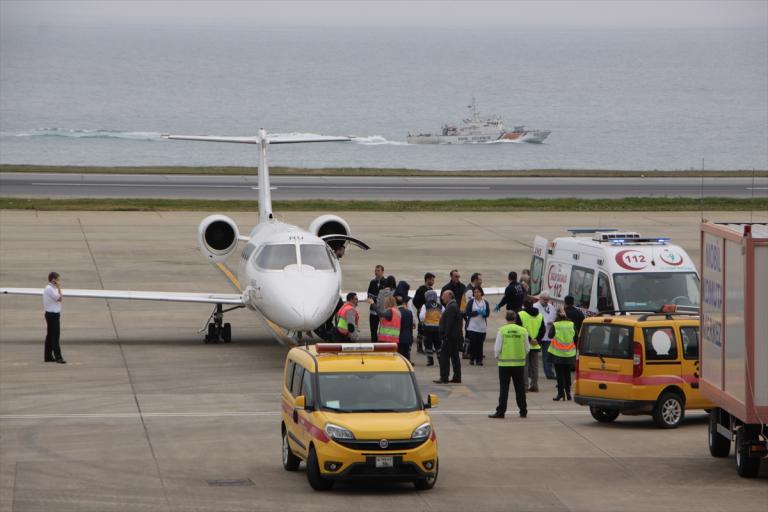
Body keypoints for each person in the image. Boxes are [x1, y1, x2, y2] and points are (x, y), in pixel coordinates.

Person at [489, 311, 530, 419]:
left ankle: (501, 411)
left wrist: (497, 356)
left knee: (504, 388)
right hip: (519, 364)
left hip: (504, 364)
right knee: (520, 388)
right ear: (515, 318)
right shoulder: (523, 330)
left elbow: (497, 347)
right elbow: (527, 348)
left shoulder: (502, 330)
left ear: (506, 319)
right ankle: (523, 411)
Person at [517, 297, 545, 392]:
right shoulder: (540, 315)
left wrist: (529, 339)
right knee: (535, 367)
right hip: (535, 345)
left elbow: (519, 329)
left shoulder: (521, 314)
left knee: (525, 366)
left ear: (524, 305)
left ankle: (525, 386)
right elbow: (543, 330)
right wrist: (537, 340)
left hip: (525, 344)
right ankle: (534, 385)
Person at [548, 310, 577, 401]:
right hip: (569, 353)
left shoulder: (556, 325)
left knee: (559, 374)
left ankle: (560, 393)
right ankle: (568, 393)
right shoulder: (571, 324)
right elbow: (576, 336)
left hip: (558, 354)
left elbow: (550, 335)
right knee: (567, 373)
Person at [434, 290, 462, 384]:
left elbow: (449, 323)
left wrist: (445, 335)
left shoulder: (451, 307)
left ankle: (444, 377)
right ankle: (457, 377)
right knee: (455, 357)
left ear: (449, 296)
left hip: (449, 337)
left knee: (444, 357)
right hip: (453, 337)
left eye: (443, 296)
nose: (442, 297)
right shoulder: (453, 306)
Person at [43, 271, 66, 364]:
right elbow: (60, 298)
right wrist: (59, 287)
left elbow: (59, 298)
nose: (59, 281)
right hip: (52, 315)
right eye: (57, 279)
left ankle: (48, 356)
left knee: (49, 336)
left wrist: (58, 288)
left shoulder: (53, 288)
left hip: (53, 314)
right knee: (55, 336)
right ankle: (58, 357)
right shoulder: (50, 289)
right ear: (53, 280)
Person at [534, 291, 558, 379]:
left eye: (547, 300)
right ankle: (530, 373)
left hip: (548, 335)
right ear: (540, 298)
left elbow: (554, 316)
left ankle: (549, 374)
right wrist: (546, 322)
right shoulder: (535, 307)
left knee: (547, 356)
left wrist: (552, 322)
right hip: (538, 335)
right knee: (532, 356)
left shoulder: (551, 307)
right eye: (544, 300)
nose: (546, 301)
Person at [464, 286, 490, 365]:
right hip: (472, 326)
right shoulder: (471, 302)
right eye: (475, 292)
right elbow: (467, 313)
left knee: (480, 344)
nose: (476, 294)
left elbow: (487, 313)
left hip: (482, 327)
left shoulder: (485, 302)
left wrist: (484, 314)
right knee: (473, 343)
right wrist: (476, 312)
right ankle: (472, 358)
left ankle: (479, 360)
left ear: (481, 293)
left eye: (478, 292)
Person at [412, 272, 435, 354]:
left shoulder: (431, 290)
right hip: (422, 312)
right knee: (421, 329)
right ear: (427, 280)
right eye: (432, 280)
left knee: (428, 329)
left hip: (430, 313)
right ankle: (419, 347)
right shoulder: (421, 289)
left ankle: (428, 347)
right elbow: (414, 301)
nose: (433, 282)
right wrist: (420, 308)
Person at [419, 290, 443, 366]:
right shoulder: (440, 306)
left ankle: (430, 361)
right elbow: (444, 315)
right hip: (437, 328)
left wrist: (424, 321)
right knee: (438, 344)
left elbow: (422, 317)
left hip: (428, 328)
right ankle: (440, 359)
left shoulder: (425, 305)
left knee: (428, 344)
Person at [366, 265, 385, 342]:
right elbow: (369, 294)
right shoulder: (372, 282)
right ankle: (374, 346)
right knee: (373, 331)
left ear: (382, 272)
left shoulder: (386, 282)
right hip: (373, 311)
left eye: (378, 271)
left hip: (382, 312)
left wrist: (376, 298)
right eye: (375, 271)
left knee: (383, 330)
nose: (376, 272)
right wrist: (375, 298)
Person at [397, 288, 416, 362]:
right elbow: (410, 326)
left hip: (399, 337)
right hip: (408, 337)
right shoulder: (409, 312)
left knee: (400, 354)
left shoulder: (396, 312)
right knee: (407, 352)